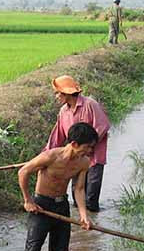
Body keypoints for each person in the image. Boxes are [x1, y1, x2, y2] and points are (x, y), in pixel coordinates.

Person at [19, 122, 97, 251]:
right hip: (41, 206)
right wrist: (28, 201)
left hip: (62, 206)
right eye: (87, 147)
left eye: (91, 147)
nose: (90, 151)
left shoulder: (84, 163)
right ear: (74, 143)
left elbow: (79, 189)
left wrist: (83, 215)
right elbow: (23, 172)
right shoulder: (50, 156)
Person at [44, 75, 111, 211]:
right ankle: (80, 225)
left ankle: (91, 223)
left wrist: (88, 146)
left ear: (67, 92)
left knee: (91, 196)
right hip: (76, 159)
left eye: (58, 93)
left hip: (94, 158)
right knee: (77, 193)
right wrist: (45, 155)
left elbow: (102, 125)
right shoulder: (63, 111)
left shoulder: (90, 105)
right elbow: (58, 135)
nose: (56, 96)